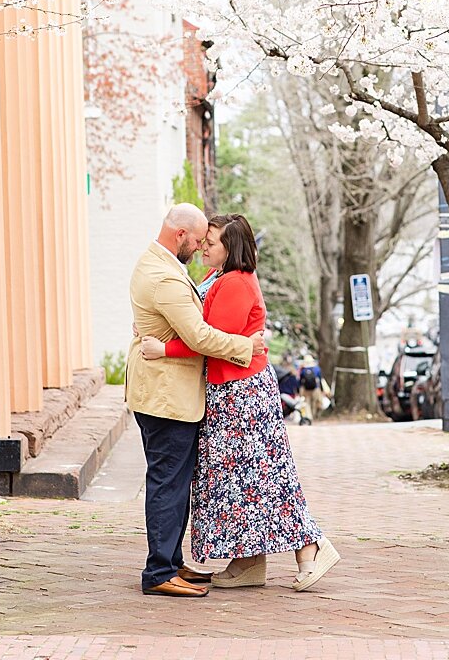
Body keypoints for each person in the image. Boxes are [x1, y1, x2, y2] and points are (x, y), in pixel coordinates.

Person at [140, 214, 341, 592]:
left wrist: (162, 347)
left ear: (230, 249)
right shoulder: (217, 278)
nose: (203, 247)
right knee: (239, 481)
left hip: (242, 394)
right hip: (229, 390)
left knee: (264, 477)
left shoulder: (234, 283)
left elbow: (207, 338)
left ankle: (311, 545)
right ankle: (248, 562)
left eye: (211, 242)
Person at [126, 203, 266, 598]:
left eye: (210, 240)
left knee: (172, 479)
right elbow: (200, 337)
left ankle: (170, 561)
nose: (202, 245)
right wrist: (246, 345)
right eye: (200, 238)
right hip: (166, 396)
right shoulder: (166, 278)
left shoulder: (158, 265)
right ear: (181, 235)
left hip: (162, 392)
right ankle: (158, 572)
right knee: (168, 481)